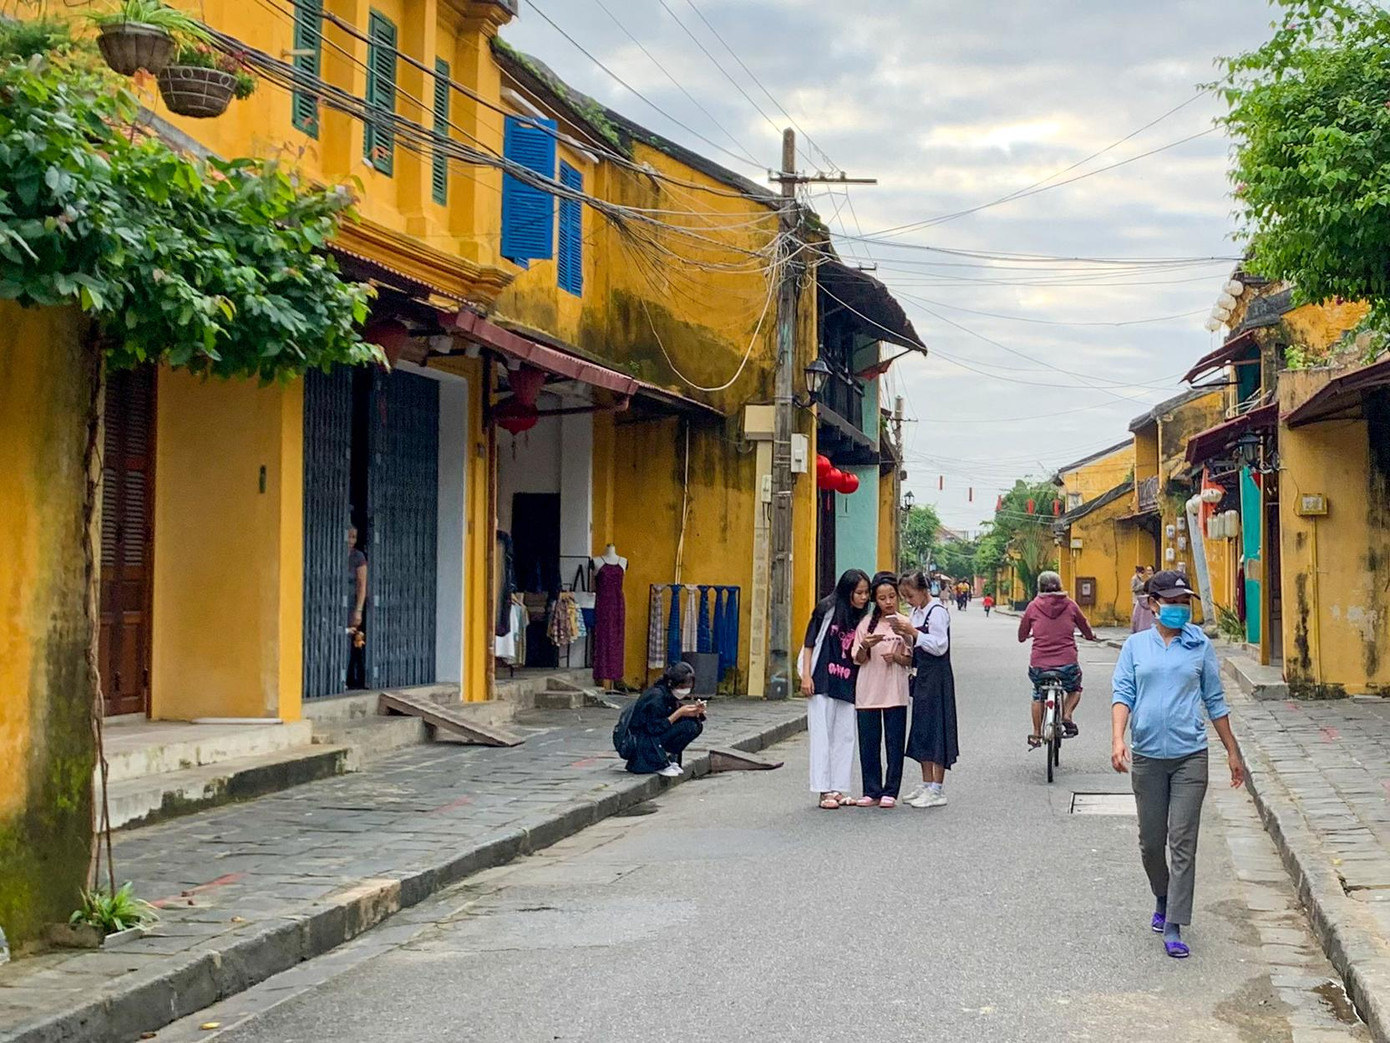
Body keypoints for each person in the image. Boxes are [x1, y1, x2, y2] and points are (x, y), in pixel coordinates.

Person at [1111, 570, 1244, 959]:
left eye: (1184, 602)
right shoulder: (1135, 647)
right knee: (1151, 843)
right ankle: (1162, 895)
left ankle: (1174, 921)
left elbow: (1215, 702)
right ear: (1153, 605)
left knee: (1182, 841)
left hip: (1190, 756)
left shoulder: (1199, 645)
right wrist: (1119, 738)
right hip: (1148, 757)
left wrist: (1232, 752)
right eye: (1171, 602)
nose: (1179, 609)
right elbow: (1123, 693)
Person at [800, 569, 871, 809]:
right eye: (858, 592)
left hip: (848, 681)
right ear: (847, 590)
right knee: (822, 735)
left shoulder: (862, 617)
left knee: (845, 735)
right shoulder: (826, 609)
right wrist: (806, 676)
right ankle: (823, 790)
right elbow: (810, 643)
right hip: (822, 680)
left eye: (865, 593)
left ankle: (838, 788)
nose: (863, 597)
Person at [895, 570, 958, 808]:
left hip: (938, 677)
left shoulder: (937, 612)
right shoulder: (916, 612)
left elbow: (940, 646)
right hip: (922, 674)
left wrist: (913, 632)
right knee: (921, 726)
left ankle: (937, 788)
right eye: (905, 596)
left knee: (937, 727)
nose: (908, 600)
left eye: (910, 595)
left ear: (924, 590)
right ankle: (926, 782)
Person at [850, 572, 913, 808]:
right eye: (883, 598)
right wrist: (866, 645)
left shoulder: (904, 623)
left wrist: (896, 656)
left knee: (894, 744)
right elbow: (857, 658)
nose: (888, 602)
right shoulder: (866, 624)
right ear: (875, 600)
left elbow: (910, 660)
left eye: (892, 597)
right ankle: (871, 789)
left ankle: (891, 790)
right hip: (868, 692)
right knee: (869, 743)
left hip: (895, 692)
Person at [1018, 571, 1096, 747]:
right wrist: (1090, 636)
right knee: (1075, 688)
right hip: (1067, 663)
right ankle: (1067, 714)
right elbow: (1085, 626)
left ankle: (1037, 734)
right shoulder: (1070, 605)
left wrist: (1025, 637)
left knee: (1038, 693)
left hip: (1039, 664)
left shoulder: (1033, 606)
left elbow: (1022, 633)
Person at [621, 661, 705, 777]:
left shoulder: (669, 696)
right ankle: (657, 761)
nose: (685, 691)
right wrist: (679, 713)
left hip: (654, 735)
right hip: (642, 741)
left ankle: (669, 757)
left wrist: (696, 712)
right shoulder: (656, 697)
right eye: (682, 687)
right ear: (672, 683)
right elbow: (654, 728)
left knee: (693, 725)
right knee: (685, 726)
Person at [346, 522, 367, 690]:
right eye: (349, 536)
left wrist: (358, 610)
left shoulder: (358, 557)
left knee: (352, 641)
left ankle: (352, 678)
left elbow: (362, 584)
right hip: (334, 602)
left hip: (352, 604)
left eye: (354, 537)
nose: (351, 540)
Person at [1131, 565, 1156, 632]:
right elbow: (1133, 588)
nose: (1148, 572)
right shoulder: (1135, 578)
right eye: (1147, 570)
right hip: (1138, 598)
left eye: (1150, 570)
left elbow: (1134, 619)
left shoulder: (1143, 579)